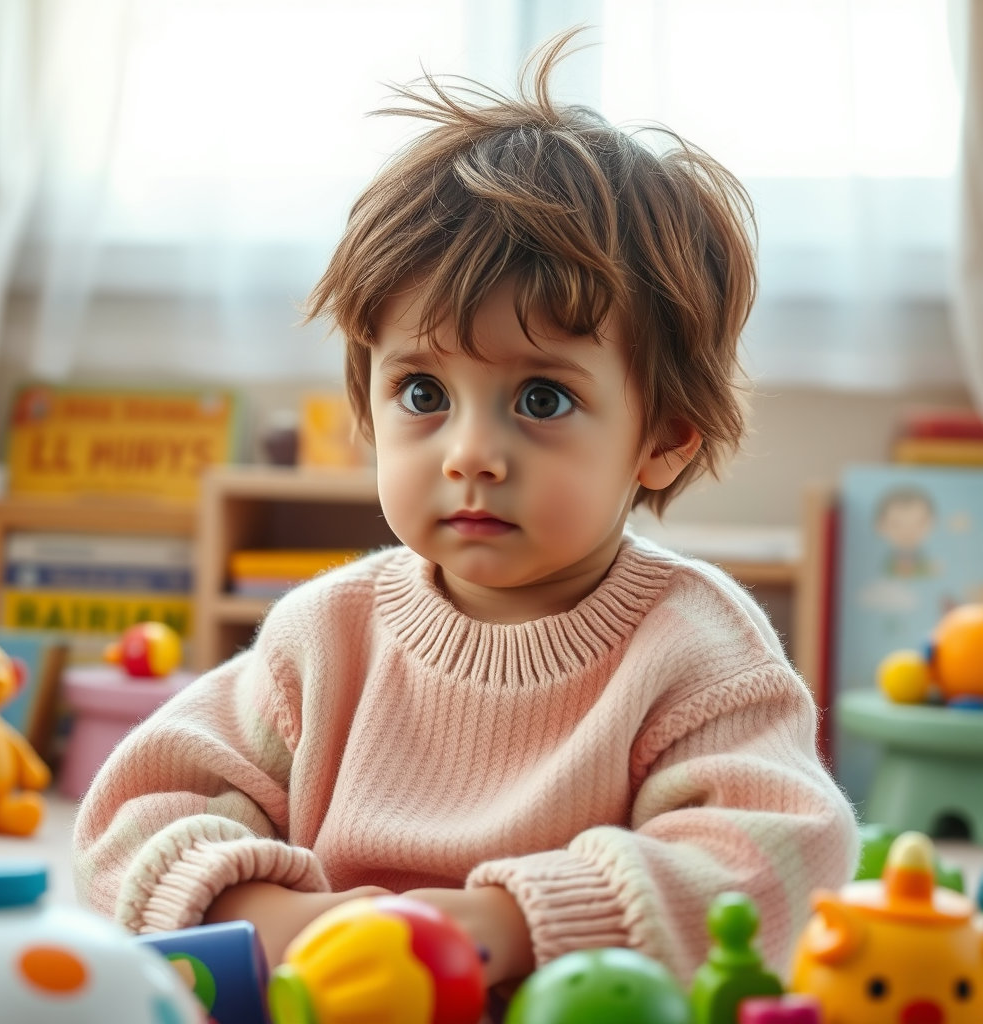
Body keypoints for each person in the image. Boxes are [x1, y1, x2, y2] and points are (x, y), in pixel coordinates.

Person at [72, 29, 858, 1008]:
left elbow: (782, 857)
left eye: (539, 399)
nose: (468, 453)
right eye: (421, 391)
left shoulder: (695, 644)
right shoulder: (326, 632)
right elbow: (134, 813)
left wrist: (507, 927)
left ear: (661, 439)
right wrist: (285, 920)